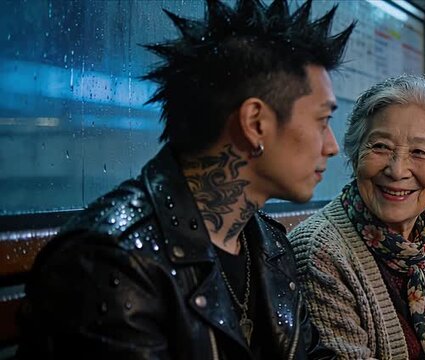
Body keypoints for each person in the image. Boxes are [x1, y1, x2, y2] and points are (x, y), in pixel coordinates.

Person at [16, 0, 353, 358]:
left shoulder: (266, 243)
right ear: (255, 123)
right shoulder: (110, 262)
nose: (331, 146)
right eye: (322, 120)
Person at [289, 75, 425, 359]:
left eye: (420, 152)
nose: (397, 170)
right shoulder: (320, 252)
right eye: (380, 146)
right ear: (355, 155)